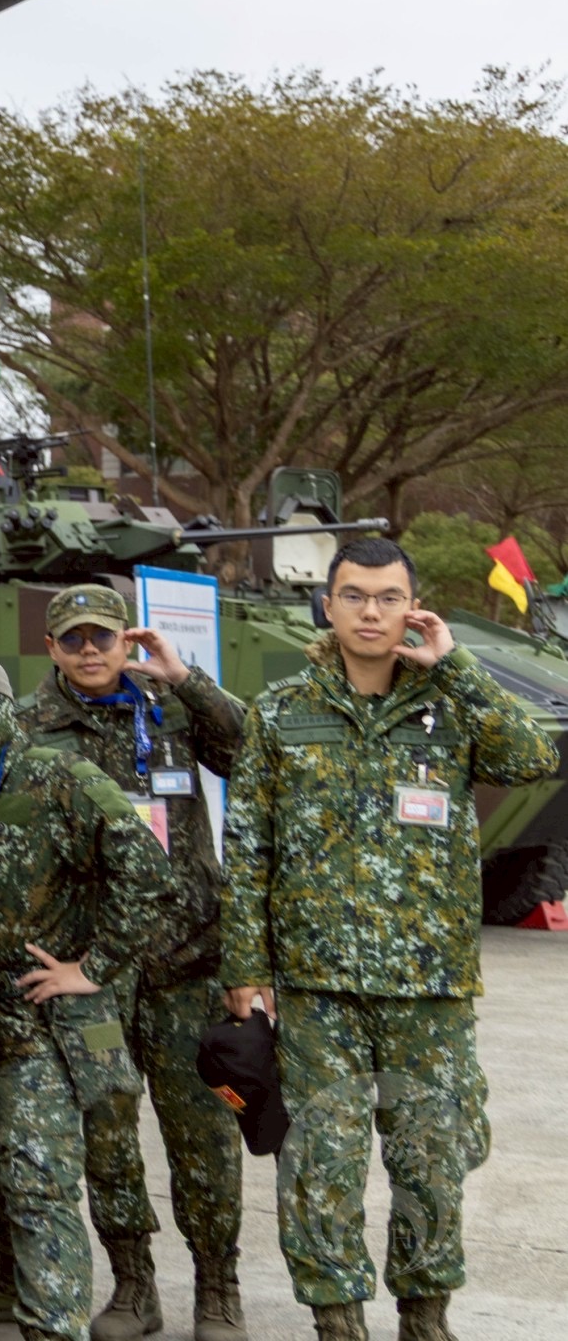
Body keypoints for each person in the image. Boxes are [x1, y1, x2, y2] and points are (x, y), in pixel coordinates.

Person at [223, 538, 554, 1341]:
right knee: (320, 1168)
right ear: (328, 605)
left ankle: (425, 1318)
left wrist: (457, 666)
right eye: (354, 595)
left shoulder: (451, 703)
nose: (370, 612)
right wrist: (245, 968)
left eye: (388, 597)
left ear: (413, 607)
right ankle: (338, 1322)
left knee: (433, 1163)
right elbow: (249, 847)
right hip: (317, 989)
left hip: (430, 989)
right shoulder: (281, 711)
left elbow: (532, 758)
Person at [0, 648, 170, 1341]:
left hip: (50, 1020)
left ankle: (83, 1311)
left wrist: (95, 965)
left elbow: (147, 871)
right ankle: (11, 1274)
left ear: (1, 708)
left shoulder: (60, 776)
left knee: (50, 1174)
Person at [17, 585, 248, 1341]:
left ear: (128, 641)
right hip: (93, 973)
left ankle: (218, 1289)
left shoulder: (173, 706)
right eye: (73, 639)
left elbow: (250, 752)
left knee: (205, 1135)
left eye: (102, 637)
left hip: (187, 962)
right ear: (51, 648)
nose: (89, 650)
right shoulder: (28, 727)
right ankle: (133, 1286)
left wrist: (187, 678)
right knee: (109, 1134)